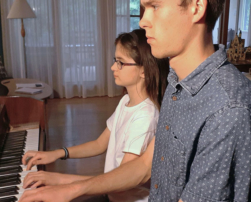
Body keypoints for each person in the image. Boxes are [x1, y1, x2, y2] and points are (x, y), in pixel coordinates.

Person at [19, 0, 251, 201]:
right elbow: (143, 167)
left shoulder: (228, 108)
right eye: (144, 8)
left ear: (197, 7)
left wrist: (70, 187)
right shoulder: (177, 83)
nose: (143, 21)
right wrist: (70, 188)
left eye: (155, 6)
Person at [21, 29, 169, 202]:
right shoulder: (126, 101)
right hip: (112, 194)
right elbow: (99, 144)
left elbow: (122, 182)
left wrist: (60, 181)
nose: (113, 67)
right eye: (115, 60)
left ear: (144, 70)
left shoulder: (146, 116)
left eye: (121, 62)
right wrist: (58, 153)